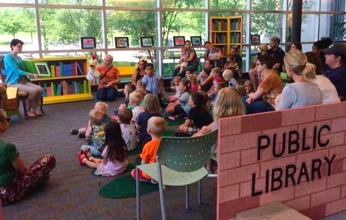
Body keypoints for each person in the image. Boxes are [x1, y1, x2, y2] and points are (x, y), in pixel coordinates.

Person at [0, 110, 56, 205]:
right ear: (1, 125)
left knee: (41, 176)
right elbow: (21, 169)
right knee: (49, 159)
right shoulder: (7, 147)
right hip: (8, 193)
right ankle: (35, 183)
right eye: (6, 119)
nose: (8, 121)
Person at [4, 39, 43, 118]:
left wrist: (32, 72)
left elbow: (23, 69)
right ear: (12, 46)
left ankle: (34, 109)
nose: (20, 49)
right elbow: (16, 70)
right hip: (13, 83)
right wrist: (30, 74)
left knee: (39, 89)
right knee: (33, 91)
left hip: (22, 81)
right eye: (19, 47)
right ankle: (28, 109)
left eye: (21, 47)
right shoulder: (8, 57)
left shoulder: (19, 58)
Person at [131, 116, 167, 183]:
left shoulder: (148, 146)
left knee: (133, 172)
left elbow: (143, 163)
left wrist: (143, 170)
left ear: (148, 130)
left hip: (151, 172)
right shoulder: (167, 143)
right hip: (164, 170)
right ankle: (159, 178)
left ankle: (151, 179)